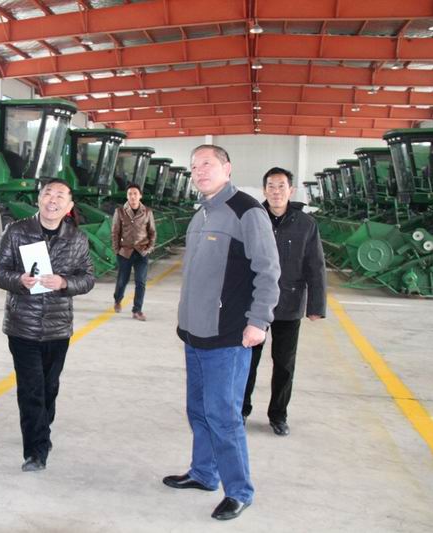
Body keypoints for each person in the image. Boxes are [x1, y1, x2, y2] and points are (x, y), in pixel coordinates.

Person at [163, 145, 280, 521]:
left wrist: (259, 321)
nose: (199, 171)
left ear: (227, 168)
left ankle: (239, 491)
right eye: (194, 166)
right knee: (198, 410)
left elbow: (268, 270)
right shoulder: (201, 213)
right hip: (194, 334)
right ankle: (203, 473)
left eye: (207, 164)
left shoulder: (247, 211)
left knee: (223, 416)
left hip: (228, 336)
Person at [0, 179, 95, 472]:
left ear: (69, 206)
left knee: (49, 387)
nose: (53, 200)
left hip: (58, 328)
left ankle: (41, 431)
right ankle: (36, 451)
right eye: (48, 193)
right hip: (22, 325)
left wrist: (64, 282)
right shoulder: (16, 231)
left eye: (60, 196)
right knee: (31, 389)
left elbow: (88, 278)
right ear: (39, 199)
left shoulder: (77, 238)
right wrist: (18, 280)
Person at [242, 167, 326, 436]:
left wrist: (316, 306)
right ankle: (241, 410)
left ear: (291, 190)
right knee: (247, 362)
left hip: (289, 304)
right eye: (271, 186)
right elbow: (238, 261)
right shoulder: (253, 219)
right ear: (264, 190)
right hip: (255, 305)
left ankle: (278, 415)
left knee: (284, 365)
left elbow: (316, 266)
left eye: (281, 186)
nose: (276, 191)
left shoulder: (306, 224)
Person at [111, 183, 156, 320]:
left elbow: (152, 232)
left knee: (140, 282)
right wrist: (117, 250)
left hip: (142, 252)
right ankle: (118, 300)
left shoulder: (147, 212)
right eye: (130, 194)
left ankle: (137, 310)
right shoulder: (120, 211)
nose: (132, 196)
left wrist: (149, 248)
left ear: (140, 196)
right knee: (122, 281)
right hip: (125, 252)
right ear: (127, 196)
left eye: (135, 193)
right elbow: (115, 232)